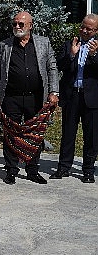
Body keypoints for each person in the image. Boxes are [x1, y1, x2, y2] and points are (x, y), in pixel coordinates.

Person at [0, 11, 59, 184]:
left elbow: (52, 68)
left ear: (30, 25)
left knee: (35, 134)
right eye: (15, 24)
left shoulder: (43, 43)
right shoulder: (3, 46)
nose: (17, 27)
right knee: (10, 134)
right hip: (11, 97)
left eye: (21, 24)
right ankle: (11, 170)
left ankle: (32, 170)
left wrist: (54, 92)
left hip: (36, 97)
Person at [51, 13, 98, 183]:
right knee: (68, 133)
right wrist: (71, 54)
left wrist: (94, 56)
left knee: (91, 136)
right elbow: (59, 66)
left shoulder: (97, 47)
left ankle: (88, 170)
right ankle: (63, 168)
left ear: (96, 31)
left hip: (92, 98)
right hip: (72, 96)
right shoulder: (71, 43)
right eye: (83, 27)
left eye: (89, 29)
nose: (85, 31)